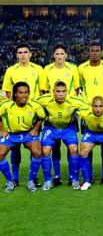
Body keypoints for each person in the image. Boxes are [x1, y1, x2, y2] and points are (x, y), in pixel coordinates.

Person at [2, 44, 44, 185]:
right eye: (20, 52)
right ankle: (15, 177)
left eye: (26, 52)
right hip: (16, 112)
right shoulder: (11, 70)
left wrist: (35, 108)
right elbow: (7, 91)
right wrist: (13, 108)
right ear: (17, 55)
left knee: (35, 146)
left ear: (30, 54)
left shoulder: (38, 69)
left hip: (33, 113)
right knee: (15, 147)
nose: (23, 55)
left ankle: (34, 177)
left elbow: (42, 90)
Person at [41, 44, 81, 186]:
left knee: (72, 147)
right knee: (54, 146)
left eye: (61, 53)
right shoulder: (47, 69)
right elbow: (44, 89)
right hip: (53, 109)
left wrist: (72, 105)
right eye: (57, 54)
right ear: (54, 55)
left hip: (69, 109)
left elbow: (77, 89)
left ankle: (73, 177)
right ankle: (56, 176)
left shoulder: (73, 68)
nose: (59, 56)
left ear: (66, 55)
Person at [37, 81, 87, 190]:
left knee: (73, 149)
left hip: (68, 128)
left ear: (67, 92)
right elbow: (32, 105)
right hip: (51, 128)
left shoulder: (75, 101)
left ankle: (74, 179)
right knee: (45, 150)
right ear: (53, 92)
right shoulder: (44, 99)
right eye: (58, 91)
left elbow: (89, 107)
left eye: (63, 91)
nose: (61, 94)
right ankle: (48, 181)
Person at [78, 41, 103, 184]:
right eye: (92, 51)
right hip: (88, 111)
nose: (94, 53)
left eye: (97, 50)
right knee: (89, 143)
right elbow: (79, 88)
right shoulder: (81, 68)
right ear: (89, 52)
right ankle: (90, 174)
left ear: (101, 52)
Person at [0, 82, 45, 192]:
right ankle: (11, 181)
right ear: (15, 94)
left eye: (26, 92)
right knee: (0, 154)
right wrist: (2, 130)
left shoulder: (35, 105)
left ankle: (31, 180)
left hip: (27, 134)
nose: (24, 95)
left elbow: (41, 117)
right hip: (11, 135)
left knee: (37, 152)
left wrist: (35, 129)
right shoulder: (6, 105)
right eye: (20, 93)